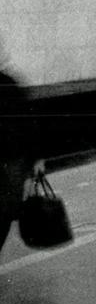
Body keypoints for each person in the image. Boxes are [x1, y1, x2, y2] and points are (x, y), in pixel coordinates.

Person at [0, 58, 45, 251]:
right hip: (11, 160)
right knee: (4, 213)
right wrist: (37, 158)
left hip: (10, 160)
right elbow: (28, 123)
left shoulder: (8, 83)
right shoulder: (9, 83)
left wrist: (36, 156)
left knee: (5, 213)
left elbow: (27, 124)